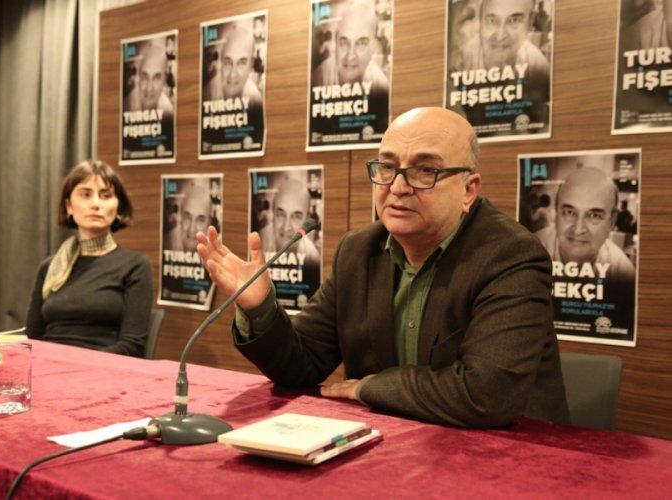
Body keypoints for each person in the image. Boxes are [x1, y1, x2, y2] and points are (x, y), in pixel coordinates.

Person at [197, 107, 569, 428]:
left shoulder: (511, 256)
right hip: (390, 446)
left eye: (424, 170)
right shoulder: (358, 251)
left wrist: (368, 387)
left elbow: (486, 395)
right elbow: (301, 365)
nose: (398, 187)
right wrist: (259, 306)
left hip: (508, 455)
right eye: (387, 167)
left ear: (468, 190)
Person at [26, 160, 153, 357]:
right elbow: (32, 339)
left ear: (118, 207)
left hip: (104, 368)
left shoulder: (135, 266)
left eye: (106, 195)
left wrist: (75, 362)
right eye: (86, 194)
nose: (95, 204)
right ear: (69, 206)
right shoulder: (50, 267)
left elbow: (132, 346)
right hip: (48, 365)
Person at [535, 167, 636, 282]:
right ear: (556, 213)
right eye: (569, 212)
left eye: (594, 215)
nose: (578, 230)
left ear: (612, 221)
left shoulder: (623, 272)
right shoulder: (530, 251)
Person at [312, 1, 389, 94]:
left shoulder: (382, 87)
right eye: (344, 43)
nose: (350, 56)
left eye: (361, 43)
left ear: (373, 46)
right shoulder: (317, 80)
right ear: (336, 42)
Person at [461, 0, 549, 79]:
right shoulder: (461, 58)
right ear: (480, 21)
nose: (500, 36)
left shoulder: (539, 67)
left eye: (514, 20)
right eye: (492, 20)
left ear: (530, 22)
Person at [258, 178, 320, 267]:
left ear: (307, 220)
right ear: (273, 213)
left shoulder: (312, 258)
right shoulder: (257, 242)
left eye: (296, 217)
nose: (286, 227)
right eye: (280, 214)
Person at [203, 23, 262, 106]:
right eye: (228, 63)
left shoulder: (255, 97)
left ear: (251, 64)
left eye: (242, 63)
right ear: (221, 62)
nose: (233, 74)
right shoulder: (206, 95)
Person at [124, 43, 174, 116]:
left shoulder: (168, 111)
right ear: (138, 78)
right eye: (145, 77)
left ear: (164, 80)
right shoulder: (125, 107)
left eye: (156, 78)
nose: (149, 88)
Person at [168, 184, 212, 253]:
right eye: (187, 218)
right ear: (180, 216)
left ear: (209, 223)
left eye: (200, 220)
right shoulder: (167, 242)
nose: (192, 229)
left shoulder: (217, 249)